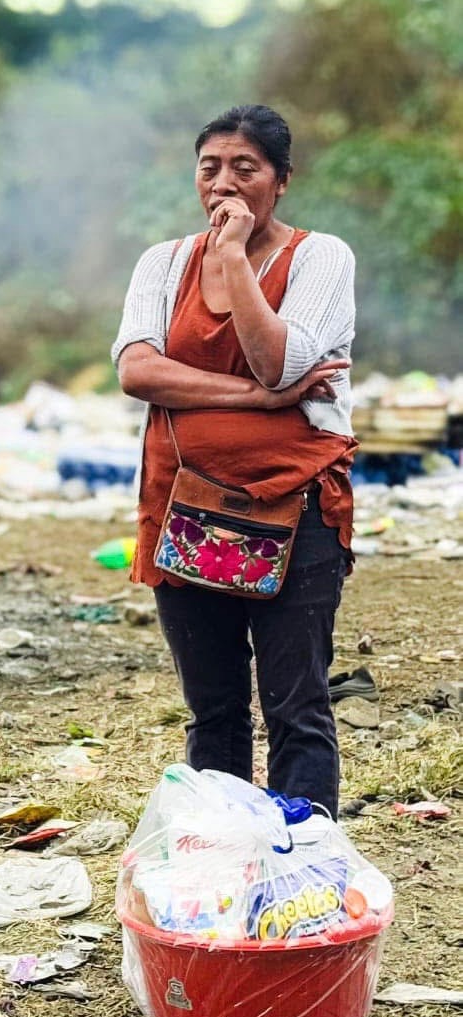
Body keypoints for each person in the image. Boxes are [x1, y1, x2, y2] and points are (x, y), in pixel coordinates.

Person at [113, 104, 357, 817]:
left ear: (281, 181)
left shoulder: (321, 257)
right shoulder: (161, 263)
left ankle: (302, 875)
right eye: (210, 166)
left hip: (295, 509)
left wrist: (232, 260)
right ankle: (220, 864)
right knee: (213, 710)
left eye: (244, 168)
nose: (223, 183)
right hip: (183, 508)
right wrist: (257, 400)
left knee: (296, 704)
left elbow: (280, 359)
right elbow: (137, 371)